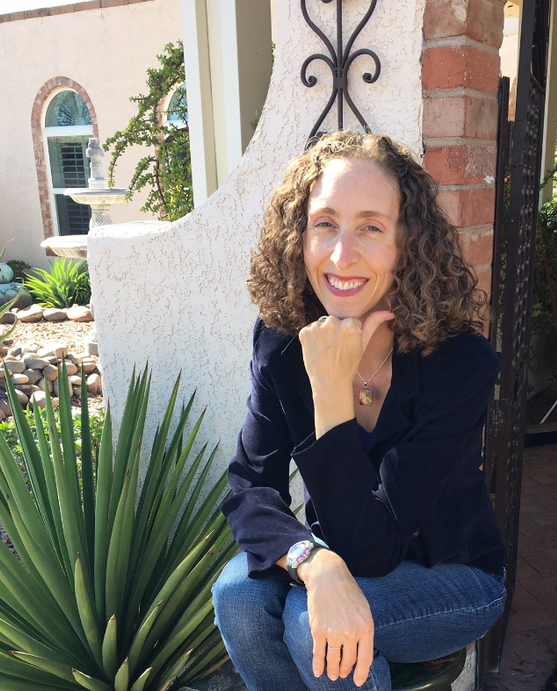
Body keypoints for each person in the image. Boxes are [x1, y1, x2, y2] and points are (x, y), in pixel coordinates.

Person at [211, 130, 506, 691]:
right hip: (340, 550)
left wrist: (329, 393)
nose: (341, 255)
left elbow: (374, 548)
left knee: (308, 627)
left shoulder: (459, 365)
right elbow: (249, 488)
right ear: (299, 238)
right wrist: (314, 562)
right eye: (325, 223)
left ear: (406, 244)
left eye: (371, 227)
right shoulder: (281, 341)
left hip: (453, 575)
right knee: (237, 597)